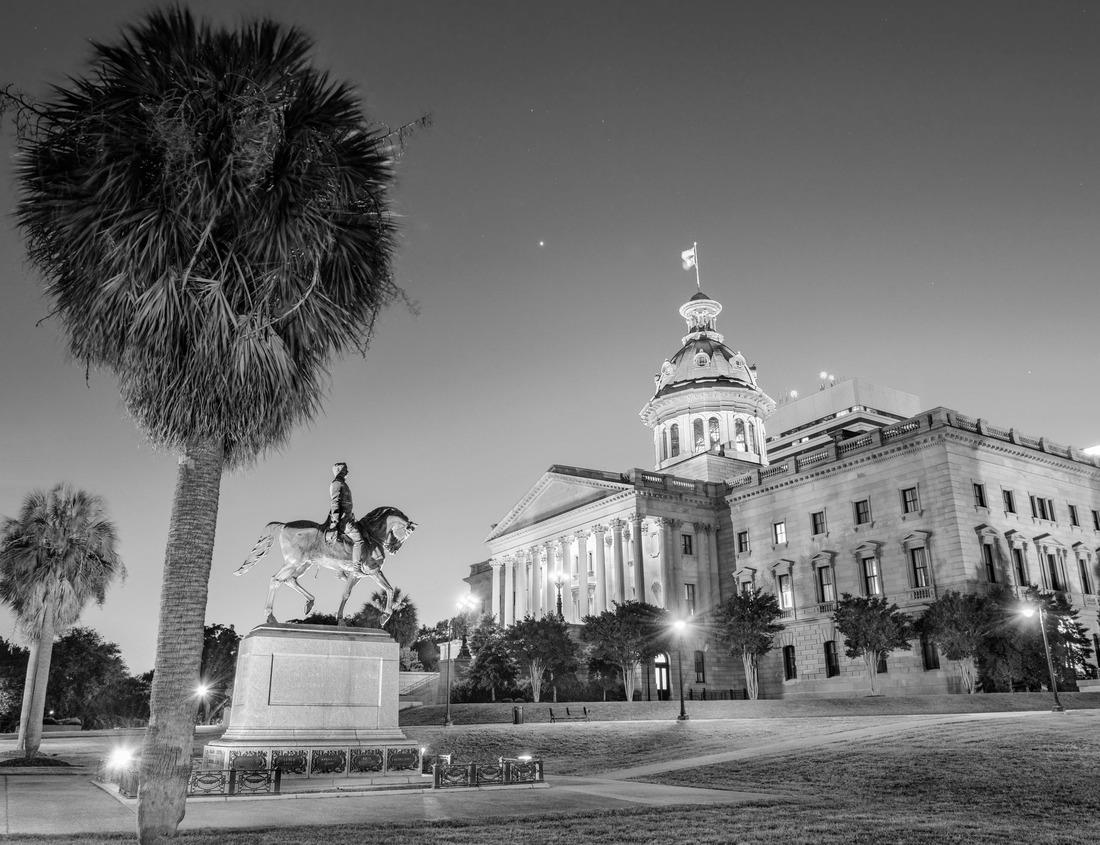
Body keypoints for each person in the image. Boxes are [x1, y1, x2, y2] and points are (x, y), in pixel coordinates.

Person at [327, 462, 364, 570]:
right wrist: (334, 524)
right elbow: (335, 503)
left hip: (349, 518)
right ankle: (356, 567)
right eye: (345, 470)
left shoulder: (341, 483)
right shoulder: (337, 483)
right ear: (338, 471)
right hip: (345, 521)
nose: (347, 472)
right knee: (359, 541)